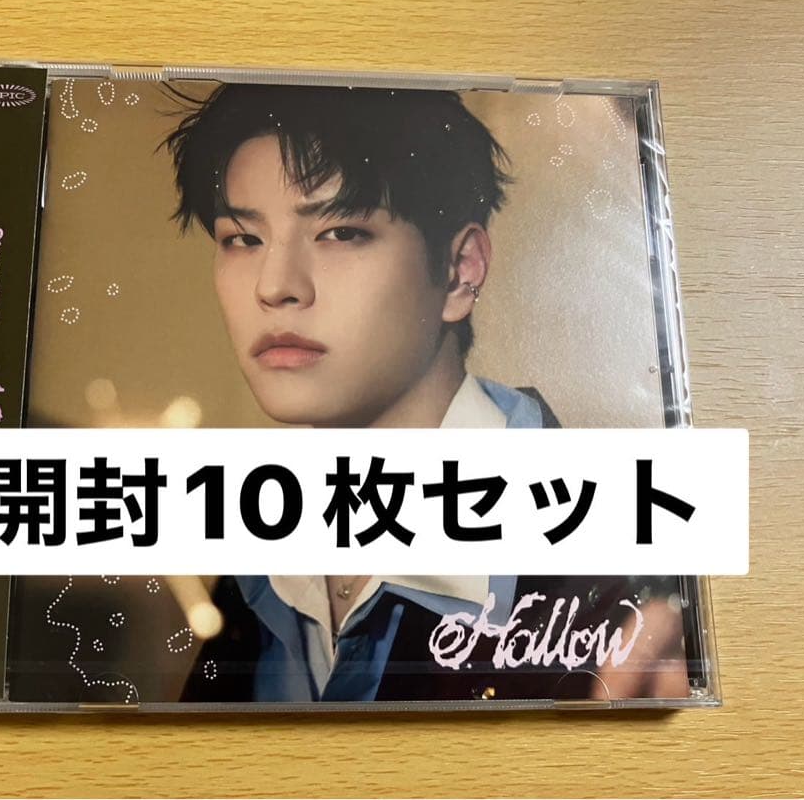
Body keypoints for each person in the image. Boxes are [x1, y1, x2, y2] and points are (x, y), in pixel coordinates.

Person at [158, 83, 688, 703]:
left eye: (340, 232)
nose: (274, 286)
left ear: (460, 271)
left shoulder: (617, 581)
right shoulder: (257, 554)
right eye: (243, 239)